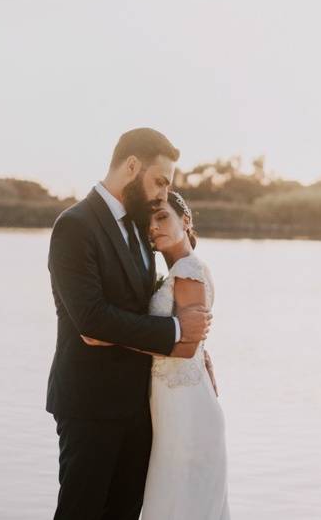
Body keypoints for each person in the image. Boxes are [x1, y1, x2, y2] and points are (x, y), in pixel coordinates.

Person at [46, 127, 213, 520]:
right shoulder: (75, 225)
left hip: (141, 407)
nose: (161, 193)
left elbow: (154, 304)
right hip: (90, 405)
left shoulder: (141, 227)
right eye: (159, 181)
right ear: (132, 166)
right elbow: (92, 319)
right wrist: (177, 336)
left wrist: (198, 350)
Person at [83, 191, 230, 519]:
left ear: (186, 220)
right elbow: (192, 338)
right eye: (146, 223)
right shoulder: (176, 270)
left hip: (187, 407)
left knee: (179, 500)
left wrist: (111, 338)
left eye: (162, 217)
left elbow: (188, 344)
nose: (153, 228)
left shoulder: (189, 270)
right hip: (169, 403)